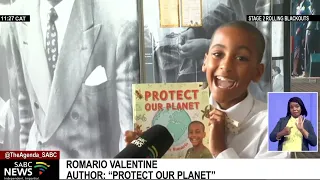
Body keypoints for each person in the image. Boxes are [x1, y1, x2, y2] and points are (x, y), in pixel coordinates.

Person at [125, 21, 290, 158]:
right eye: (218, 54)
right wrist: (144, 156)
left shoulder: (282, 121)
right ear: (205, 62)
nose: (225, 66)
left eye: (241, 58)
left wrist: (221, 151)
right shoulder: (177, 114)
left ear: (258, 72)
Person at [2, 0, 140, 158]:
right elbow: (24, 113)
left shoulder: (118, 19)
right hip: (40, 162)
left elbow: (129, 132)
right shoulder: (19, 16)